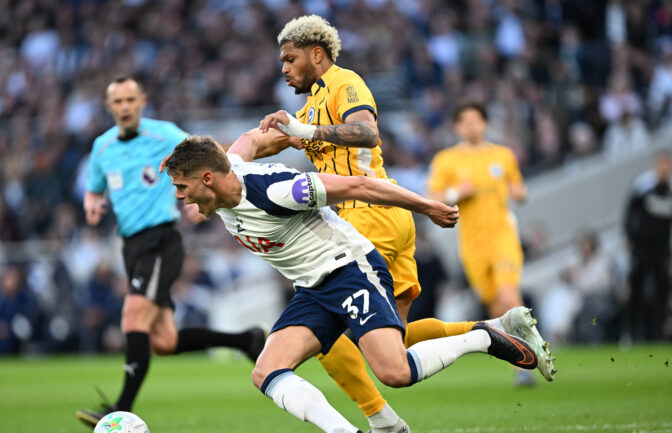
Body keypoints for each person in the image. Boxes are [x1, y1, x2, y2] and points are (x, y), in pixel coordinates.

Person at [250, 15, 554, 431]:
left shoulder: (345, 83)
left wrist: (304, 128)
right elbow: (263, 144)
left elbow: (367, 132)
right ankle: (493, 329)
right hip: (384, 217)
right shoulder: (311, 104)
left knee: (327, 336)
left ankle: (383, 421)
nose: (283, 69)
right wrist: (208, 162)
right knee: (395, 337)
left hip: (364, 218)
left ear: (316, 54)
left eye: (289, 59)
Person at [163, 135, 543, 433]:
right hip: (313, 289)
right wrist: (280, 131)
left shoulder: (280, 191)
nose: (182, 200)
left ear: (208, 179)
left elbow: (361, 185)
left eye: (182, 188)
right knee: (265, 371)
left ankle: (483, 337)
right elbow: (249, 140)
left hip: (350, 271)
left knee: (395, 373)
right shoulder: (229, 169)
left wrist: (427, 207)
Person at [76, 76, 266, 427]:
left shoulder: (163, 134)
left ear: (142, 100)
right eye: (118, 102)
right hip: (131, 246)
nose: (125, 107)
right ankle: (246, 339)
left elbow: (207, 154)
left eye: (131, 99)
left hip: (161, 240)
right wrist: (92, 204)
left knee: (132, 316)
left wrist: (207, 191)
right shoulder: (102, 148)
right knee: (164, 341)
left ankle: (120, 410)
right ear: (109, 107)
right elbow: (94, 189)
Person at [426, 102, 533, 384]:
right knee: (496, 305)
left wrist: (520, 192)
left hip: (503, 237)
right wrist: (455, 192)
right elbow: (433, 196)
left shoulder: (503, 155)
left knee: (509, 296)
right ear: (457, 127)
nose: (472, 126)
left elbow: (518, 187)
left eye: (477, 120)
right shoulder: (446, 160)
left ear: (485, 124)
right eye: (466, 121)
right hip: (472, 245)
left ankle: (531, 359)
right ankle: (520, 359)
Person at [624, 151, 672, 341]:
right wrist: (630, 240)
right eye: (660, 164)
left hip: (661, 251)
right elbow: (629, 215)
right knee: (638, 291)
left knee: (662, 292)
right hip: (641, 248)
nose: (663, 169)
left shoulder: (669, 191)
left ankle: (657, 335)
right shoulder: (643, 186)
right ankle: (632, 333)